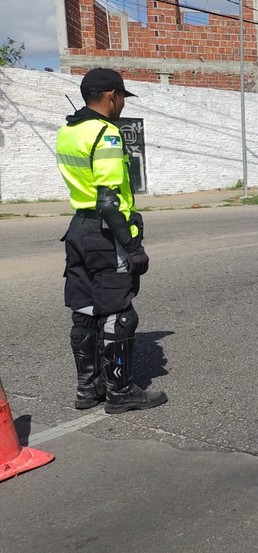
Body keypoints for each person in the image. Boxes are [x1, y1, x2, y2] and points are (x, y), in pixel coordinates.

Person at [56, 68, 167, 414]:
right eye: (121, 98)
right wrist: (133, 247)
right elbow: (108, 200)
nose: (121, 105)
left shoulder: (67, 131)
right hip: (106, 231)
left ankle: (88, 389)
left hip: (78, 228)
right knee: (119, 313)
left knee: (85, 309)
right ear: (111, 96)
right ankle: (120, 391)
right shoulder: (106, 134)